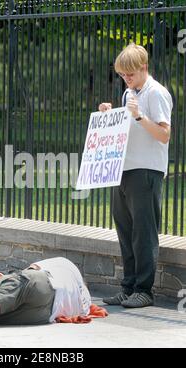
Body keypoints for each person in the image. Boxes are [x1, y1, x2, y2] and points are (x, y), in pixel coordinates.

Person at [99, 43, 173, 308]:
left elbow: (164, 135)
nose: (126, 79)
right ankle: (128, 287)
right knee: (126, 231)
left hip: (145, 170)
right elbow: (126, 128)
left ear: (144, 67)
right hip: (123, 168)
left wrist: (139, 116)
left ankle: (144, 290)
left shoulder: (157, 94)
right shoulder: (129, 92)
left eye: (130, 73)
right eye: (122, 75)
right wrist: (112, 116)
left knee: (143, 232)